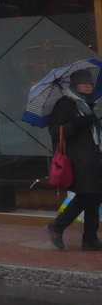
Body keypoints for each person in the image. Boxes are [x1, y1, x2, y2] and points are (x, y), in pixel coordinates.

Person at [47, 68, 102, 251]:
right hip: (78, 159)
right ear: (74, 85)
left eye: (90, 83)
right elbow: (56, 130)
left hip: (92, 158)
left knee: (94, 196)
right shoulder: (66, 104)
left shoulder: (87, 105)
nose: (87, 86)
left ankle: (90, 239)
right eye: (83, 83)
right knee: (86, 194)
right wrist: (79, 123)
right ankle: (58, 226)